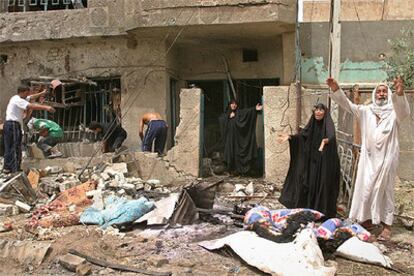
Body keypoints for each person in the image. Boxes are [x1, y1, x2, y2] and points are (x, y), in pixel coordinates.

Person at [326, 76, 411, 240]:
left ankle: (387, 225)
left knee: (386, 192)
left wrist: (400, 94)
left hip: (387, 159)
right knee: (366, 190)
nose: (381, 94)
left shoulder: (394, 113)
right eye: (378, 92)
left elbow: (404, 111)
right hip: (369, 160)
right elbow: (348, 106)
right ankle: (368, 220)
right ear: (374, 94)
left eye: (384, 91)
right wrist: (336, 89)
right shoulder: (366, 111)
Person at [277, 103, 340, 219]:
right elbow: (303, 136)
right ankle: (309, 211)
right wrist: (290, 137)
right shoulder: (312, 124)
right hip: (311, 163)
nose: (318, 112)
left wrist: (326, 141)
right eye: (316, 109)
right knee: (309, 184)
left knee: (322, 186)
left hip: (324, 164)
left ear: (325, 112)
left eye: (321, 110)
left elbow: (331, 137)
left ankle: (322, 214)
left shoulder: (328, 125)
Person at [3, 85, 55, 173]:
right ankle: (14, 168)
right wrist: (47, 107)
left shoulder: (16, 98)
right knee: (15, 146)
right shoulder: (18, 100)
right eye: (27, 92)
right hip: (13, 125)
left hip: (10, 124)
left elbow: (31, 97)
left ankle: (7, 167)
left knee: (9, 146)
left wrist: (42, 93)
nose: (28, 95)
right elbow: (31, 105)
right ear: (22, 92)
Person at [220, 100, 263, 175]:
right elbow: (221, 120)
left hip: (238, 138)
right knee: (230, 152)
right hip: (230, 138)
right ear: (229, 105)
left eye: (235, 104)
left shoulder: (239, 113)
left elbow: (247, 112)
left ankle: (240, 171)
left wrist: (254, 109)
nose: (234, 105)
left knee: (237, 152)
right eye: (232, 104)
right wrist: (228, 117)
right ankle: (231, 171)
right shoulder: (226, 114)